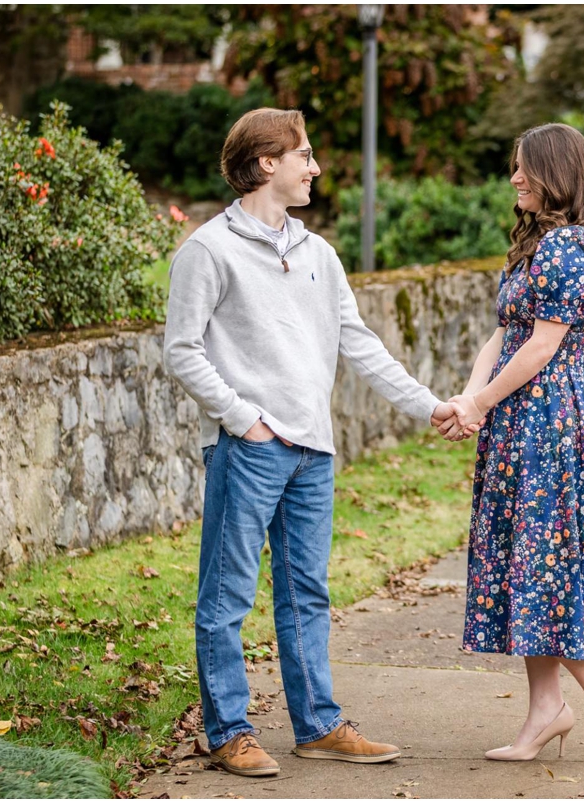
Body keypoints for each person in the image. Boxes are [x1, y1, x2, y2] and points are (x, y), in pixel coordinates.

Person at [163, 108, 466, 777]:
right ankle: (228, 730)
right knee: (227, 595)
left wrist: (432, 405)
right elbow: (182, 351)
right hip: (250, 448)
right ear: (268, 163)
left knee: (306, 592)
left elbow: (360, 345)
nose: (316, 167)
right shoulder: (208, 251)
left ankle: (319, 724)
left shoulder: (318, 254)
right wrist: (245, 419)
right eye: (305, 155)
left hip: (313, 453)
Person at [439, 123, 584, 764]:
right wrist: (468, 400)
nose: (514, 179)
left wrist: (480, 403)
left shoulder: (571, 249)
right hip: (514, 420)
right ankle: (545, 711)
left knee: (547, 564)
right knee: (524, 565)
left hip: (548, 425)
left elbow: (542, 345)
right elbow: (503, 335)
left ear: (555, 172)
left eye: (524, 168)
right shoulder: (537, 247)